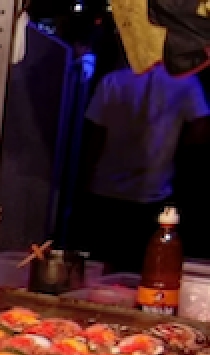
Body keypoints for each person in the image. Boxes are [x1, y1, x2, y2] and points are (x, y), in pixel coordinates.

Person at [71, 30, 210, 272]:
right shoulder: (184, 82)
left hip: (105, 190)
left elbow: (96, 137)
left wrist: (84, 180)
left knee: (100, 268)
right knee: (143, 270)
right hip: (154, 191)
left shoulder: (113, 81)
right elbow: (201, 130)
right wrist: (174, 149)